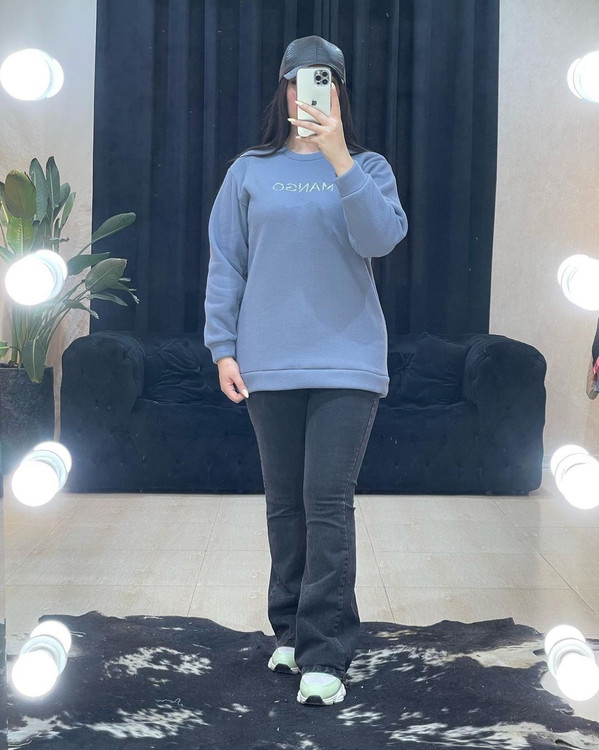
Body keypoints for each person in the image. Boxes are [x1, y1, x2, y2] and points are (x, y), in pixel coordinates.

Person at [204, 35, 408, 706]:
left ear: (338, 92)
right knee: (284, 505)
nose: (307, 93)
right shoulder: (248, 172)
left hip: (348, 362)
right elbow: (227, 262)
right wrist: (222, 347)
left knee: (326, 503)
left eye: (321, 81)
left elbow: (380, 237)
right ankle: (290, 630)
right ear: (283, 90)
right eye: (297, 81)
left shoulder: (368, 167)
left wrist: (338, 156)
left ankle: (326, 651)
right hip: (267, 361)